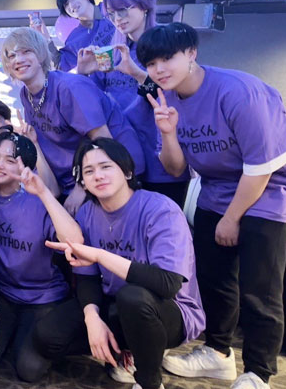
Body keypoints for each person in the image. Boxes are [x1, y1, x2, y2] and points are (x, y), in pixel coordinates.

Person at [138, 22, 286, 389]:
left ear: (191, 53)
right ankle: (219, 355)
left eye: (167, 58)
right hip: (215, 193)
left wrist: (232, 218)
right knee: (213, 280)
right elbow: (176, 168)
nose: (159, 69)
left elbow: (261, 167)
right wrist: (168, 134)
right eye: (151, 63)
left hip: (266, 192)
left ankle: (259, 373)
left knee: (260, 290)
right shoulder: (167, 98)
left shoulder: (238, 92)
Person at [47, 138, 205, 389]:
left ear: (128, 172)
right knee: (46, 338)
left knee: (133, 298)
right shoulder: (87, 213)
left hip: (168, 309)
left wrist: (100, 255)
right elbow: (87, 278)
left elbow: (168, 284)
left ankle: (149, 380)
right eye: (89, 171)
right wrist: (92, 319)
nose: (98, 175)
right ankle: (125, 349)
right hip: (115, 305)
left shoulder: (160, 209)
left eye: (106, 166)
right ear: (82, 182)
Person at [0, 27, 145, 215]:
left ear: (41, 55)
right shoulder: (25, 95)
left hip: (115, 172)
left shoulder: (69, 87)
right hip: (70, 179)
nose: (18, 60)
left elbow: (104, 141)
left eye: (26, 52)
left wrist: (81, 187)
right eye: (11, 56)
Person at [0, 128, 86, 382]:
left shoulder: (36, 200)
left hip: (43, 297)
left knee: (29, 370)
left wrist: (43, 193)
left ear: (25, 167)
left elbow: (75, 242)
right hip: (4, 294)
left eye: (10, 160)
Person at [80, 0, 190, 206]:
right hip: (124, 160)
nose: (117, 19)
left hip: (162, 162)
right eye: (111, 13)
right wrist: (84, 74)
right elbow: (95, 104)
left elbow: (172, 94)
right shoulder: (114, 50)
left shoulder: (167, 44)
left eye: (123, 10)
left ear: (145, 5)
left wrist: (136, 73)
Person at [51, 0, 116, 72]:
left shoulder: (109, 8)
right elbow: (60, 64)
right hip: (107, 78)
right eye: (66, 4)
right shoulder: (75, 38)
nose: (71, 5)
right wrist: (45, 38)